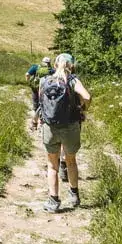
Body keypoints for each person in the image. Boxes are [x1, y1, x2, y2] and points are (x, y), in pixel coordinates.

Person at [37, 53, 90, 213]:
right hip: (70, 126)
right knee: (71, 161)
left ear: (55, 65)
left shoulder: (45, 80)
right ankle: (74, 195)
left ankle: (53, 201)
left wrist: (39, 120)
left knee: (52, 165)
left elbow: (40, 102)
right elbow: (87, 96)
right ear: (71, 66)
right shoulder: (73, 80)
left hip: (50, 127)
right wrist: (83, 108)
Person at [27, 56, 68, 182]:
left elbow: (27, 75)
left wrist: (29, 82)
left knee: (37, 107)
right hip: (65, 117)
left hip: (48, 114)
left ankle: (34, 122)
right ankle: (63, 163)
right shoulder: (68, 79)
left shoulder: (37, 69)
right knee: (64, 143)